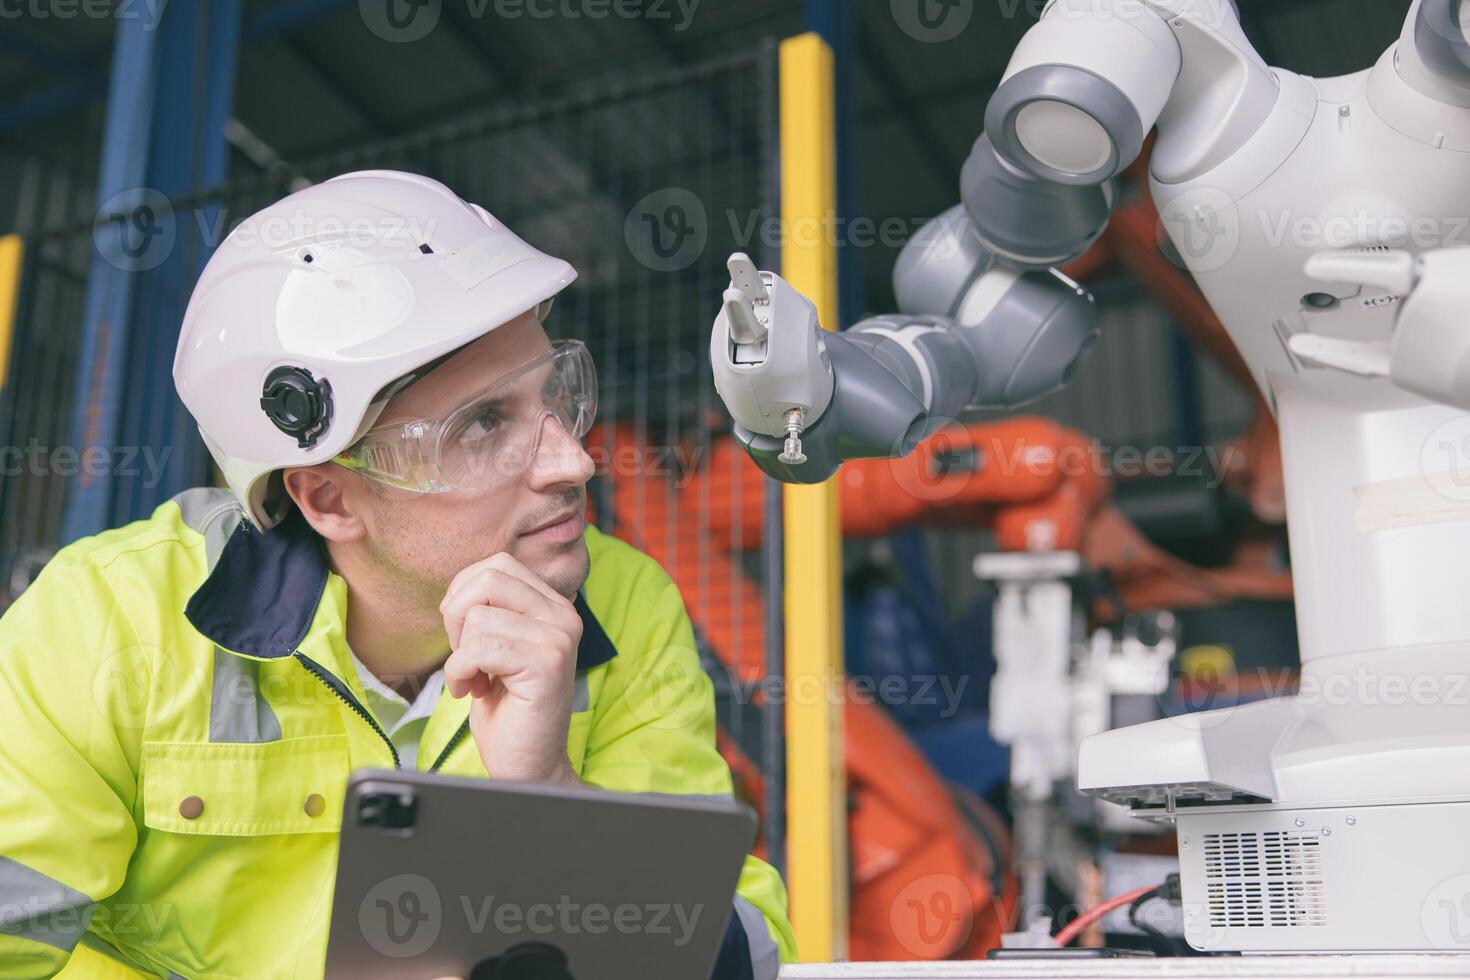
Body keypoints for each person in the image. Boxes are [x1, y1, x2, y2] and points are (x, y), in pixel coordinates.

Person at [0, 171, 794, 979]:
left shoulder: (623, 605)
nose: (573, 460)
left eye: (553, 395)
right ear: (328, 497)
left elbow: (741, 954)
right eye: (484, 423)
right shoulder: (106, 626)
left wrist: (553, 800)